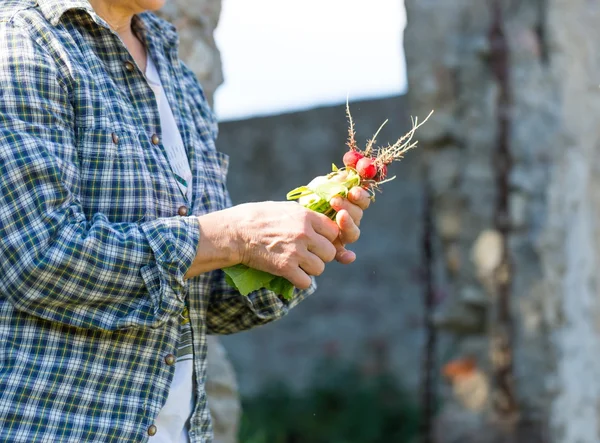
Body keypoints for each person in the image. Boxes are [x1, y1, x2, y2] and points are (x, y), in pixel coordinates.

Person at [0, 0, 371, 441]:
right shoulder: (20, 46)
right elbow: (39, 258)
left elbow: (206, 304)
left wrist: (292, 244)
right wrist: (231, 237)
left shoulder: (174, 71)